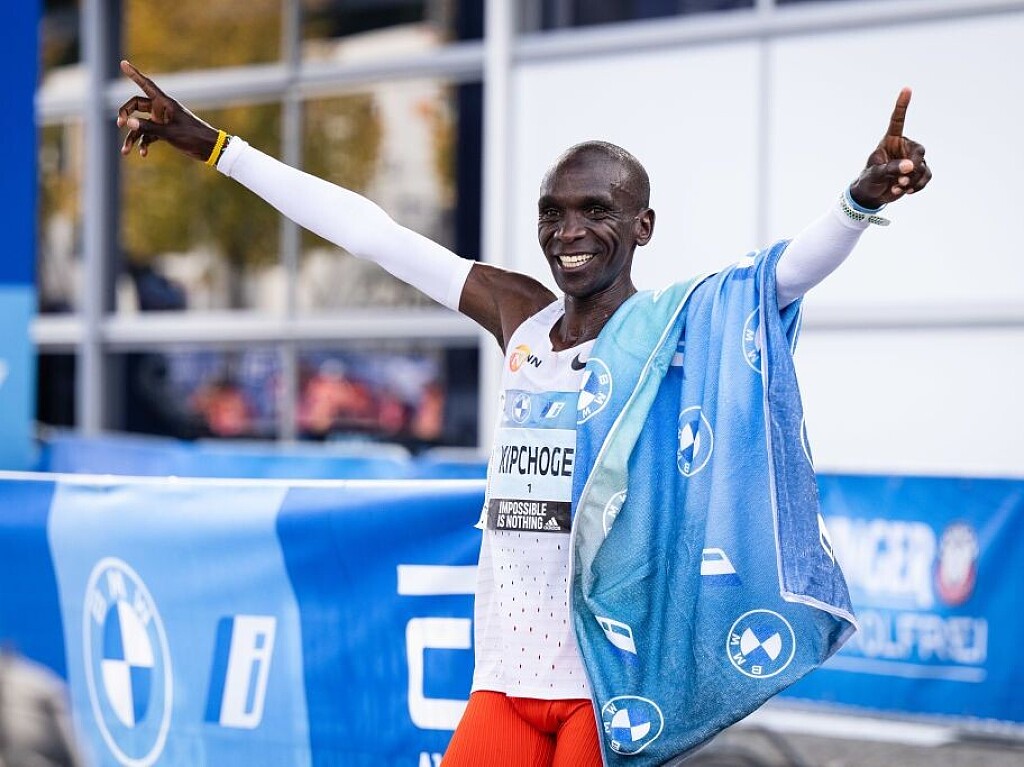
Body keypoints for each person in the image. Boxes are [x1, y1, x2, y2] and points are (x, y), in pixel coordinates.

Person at [116, 59, 930, 766]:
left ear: (642, 226)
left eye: (595, 210)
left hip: (607, 681)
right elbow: (372, 234)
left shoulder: (672, 331)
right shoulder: (521, 317)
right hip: (506, 673)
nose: (569, 231)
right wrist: (213, 145)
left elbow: (780, 276)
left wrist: (858, 201)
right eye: (552, 212)